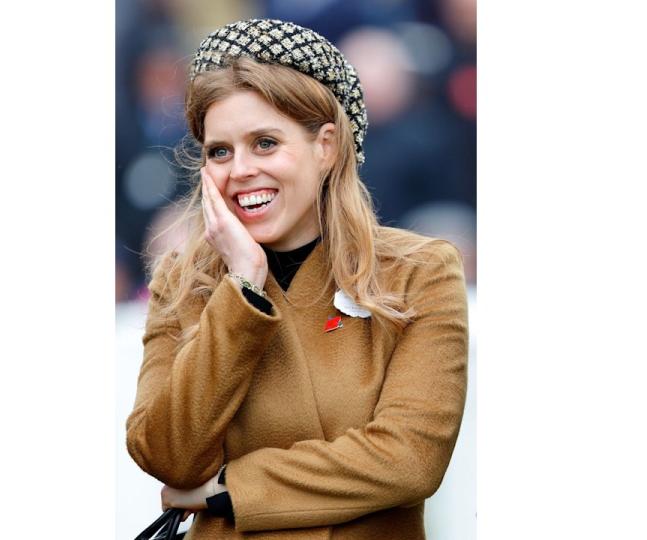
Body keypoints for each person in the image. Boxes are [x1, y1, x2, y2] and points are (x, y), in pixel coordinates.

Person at [125, 18, 469, 540]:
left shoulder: (419, 272)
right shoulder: (183, 282)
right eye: (220, 151)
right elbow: (168, 455)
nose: (239, 169)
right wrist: (242, 286)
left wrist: (227, 488)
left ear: (326, 147)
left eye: (264, 143)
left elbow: (409, 459)